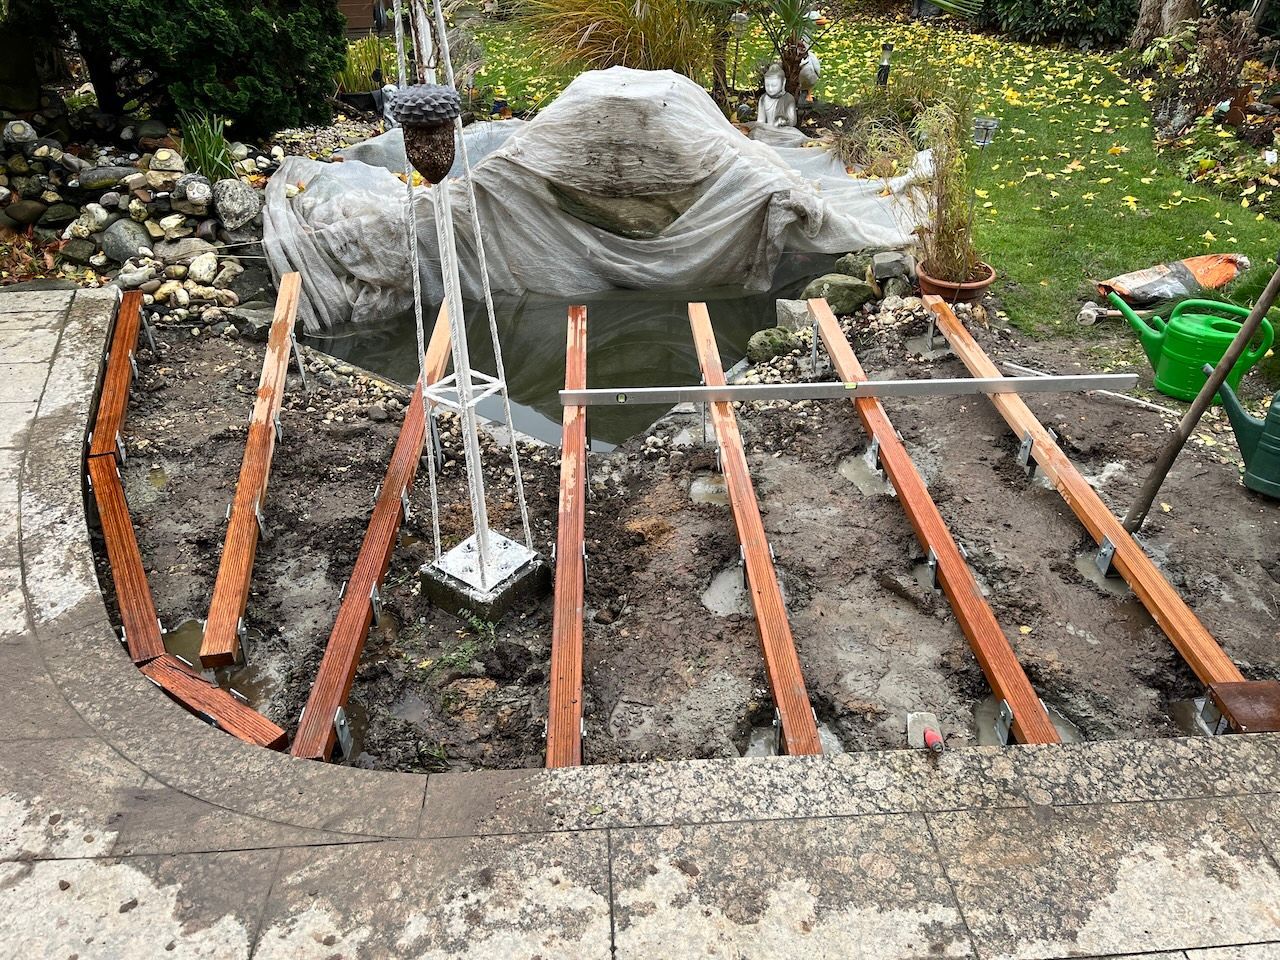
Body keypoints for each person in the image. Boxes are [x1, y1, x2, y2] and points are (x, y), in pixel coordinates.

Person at [757, 63, 797, 128]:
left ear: (783, 82)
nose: (770, 89)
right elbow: (760, 121)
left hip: (783, 132)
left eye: (774, 85)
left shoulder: (789, 99)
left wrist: (784, 121)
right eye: (767, 85)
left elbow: (793, 121)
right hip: (766, 131)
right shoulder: (763, 99)